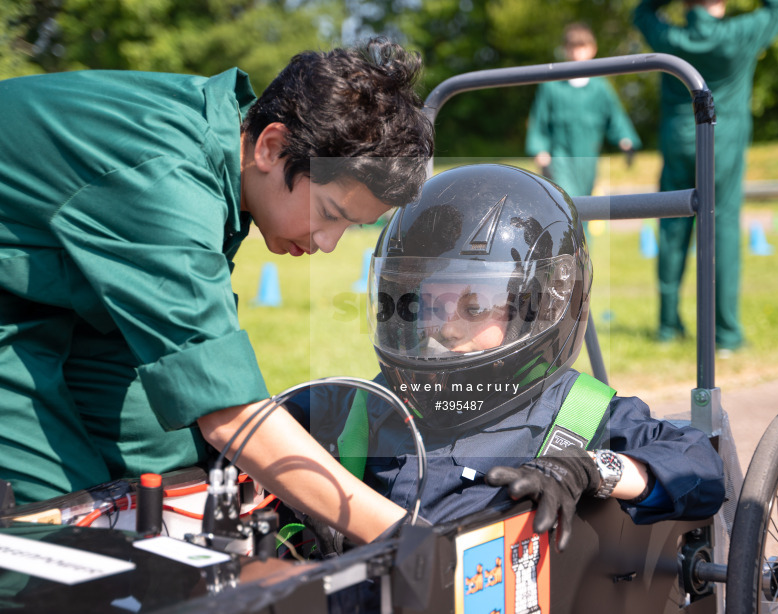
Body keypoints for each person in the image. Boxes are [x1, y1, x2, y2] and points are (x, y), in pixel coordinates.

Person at [0, 37, 433, 543]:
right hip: (21, 308)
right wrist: (398, 533)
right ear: (272, 146)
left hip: (59, 300)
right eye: (330, 214)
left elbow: (188, 388)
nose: (328, 243)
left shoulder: (226, 149)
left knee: (171, 479)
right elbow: (229, 413)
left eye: (349, 227)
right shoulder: (165, 182)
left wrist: (288, 485)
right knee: (50, 524)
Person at [285, 163, 725, 552]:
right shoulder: (372, 402)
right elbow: (256, 430)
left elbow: (702, 467)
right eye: (429, 307)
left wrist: (587, 469)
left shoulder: (580, 411)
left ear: (544, 304)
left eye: (474, 308)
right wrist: (306, 495)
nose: (446, 328)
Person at [634, 0, 778, 351]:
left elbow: (642, 12)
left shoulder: (670, 37)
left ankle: (666, 326)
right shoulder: (741, 33)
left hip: (678, 139)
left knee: (673, 227)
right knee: (722, 229)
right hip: (723, 142)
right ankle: (725, 333)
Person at [525, 22, 642, 198]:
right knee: (566, 199)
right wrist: (540, 150)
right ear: (565, 50)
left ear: (592, 49)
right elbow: (539, 120)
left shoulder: (600, 88)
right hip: (560, 157)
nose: (576, 53)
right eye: (572, 47)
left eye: (581, 47)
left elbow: (615, 116)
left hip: (588, 158)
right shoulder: (551, 87)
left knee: (585, 203)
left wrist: (625, 139)